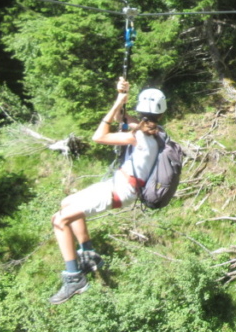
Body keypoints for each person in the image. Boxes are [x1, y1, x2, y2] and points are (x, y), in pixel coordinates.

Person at [48, 78, 167, 304]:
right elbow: (122, 119)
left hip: (119, 191)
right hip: (118, 186)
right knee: (67, 203)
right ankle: (88, 253)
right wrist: (121, 96)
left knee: (59, 220)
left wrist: (118, 104)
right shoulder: (156, 131)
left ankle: (73, 277)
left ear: (141, 109)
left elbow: (99, 136)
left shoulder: (140, 136)